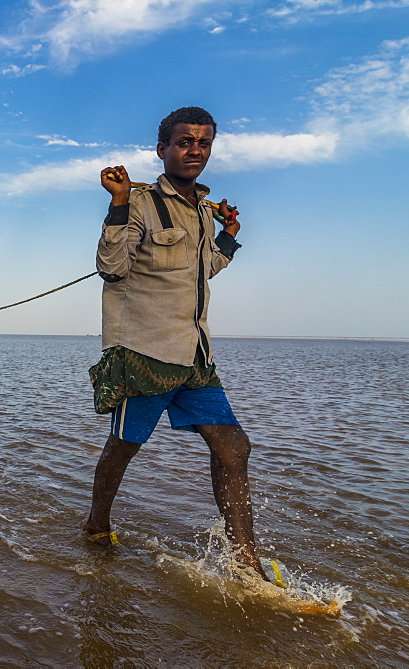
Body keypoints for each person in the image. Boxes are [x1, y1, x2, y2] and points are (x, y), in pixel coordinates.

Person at [84, 106, 268, 580]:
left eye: (204, 142)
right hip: (145, 353)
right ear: (162, 149)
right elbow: (111, 266)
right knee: (122, 448)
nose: (195, 150)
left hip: (195, 356)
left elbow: (203, 270)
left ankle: (247, 565)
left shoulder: (204, 212)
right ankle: (96, 527)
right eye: (185, 141)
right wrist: (119, 202)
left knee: (234, 448)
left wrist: (228, 236)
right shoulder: (142, 202)